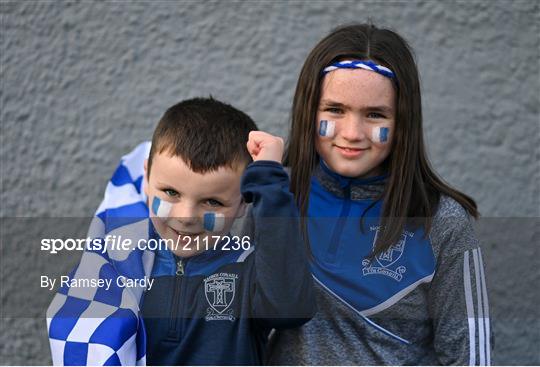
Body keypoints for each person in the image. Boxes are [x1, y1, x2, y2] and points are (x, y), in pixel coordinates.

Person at [265, 24, 492, 365]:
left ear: (403, 122)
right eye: (335, 110)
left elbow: (470, 358)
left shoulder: (441, 223)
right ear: (308, 110)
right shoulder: (272, 197)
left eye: (375, 114)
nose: (353, 133)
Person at [46, 97, 315, 365]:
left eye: (212, 202)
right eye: (171, 192)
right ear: (147, 179)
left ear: (244, 203)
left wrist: (269, 181)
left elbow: (289, 310)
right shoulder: (116, 264)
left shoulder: (251, 270)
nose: (186, 217)